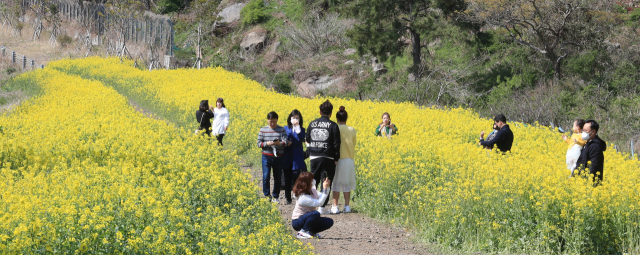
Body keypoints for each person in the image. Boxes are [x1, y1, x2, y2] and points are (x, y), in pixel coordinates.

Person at [305, 100, 341, 214]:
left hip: (314, 157)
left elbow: (307, 139)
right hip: (328, 157)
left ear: (320, 112)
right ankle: (322, 207)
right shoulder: (333, 125)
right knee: (326, 181)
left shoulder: (312, 124)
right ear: (330, 113)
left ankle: (310, 205)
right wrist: (336, 158)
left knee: (313, 181)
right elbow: (336, 144)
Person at [257, 111, 289, 203]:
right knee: (266, 176)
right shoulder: (263, 130)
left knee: (277, 177)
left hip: (278, 157)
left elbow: (286, 142)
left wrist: (280, 143)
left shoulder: (282, 130)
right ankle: (267, 195)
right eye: (271, 121)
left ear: (277, 120)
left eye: (274, 121)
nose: (273, 123)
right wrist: (267, 143)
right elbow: (258, 144)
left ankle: (275, 196)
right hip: (266, 156)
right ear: (267, 120)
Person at [291, 172, 334, 239]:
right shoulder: (303, 198)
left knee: (329, 222)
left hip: (308, 219)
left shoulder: (312, 190)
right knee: (315, 214)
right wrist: (324, 189)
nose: (313, 180)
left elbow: (322, 196)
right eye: (312, 179)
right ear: (307, 182)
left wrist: (327, 187)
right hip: (297, 222)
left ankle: (310, 231)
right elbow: (320, 203)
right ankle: (303, 232)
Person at [331, 106, 357, 214]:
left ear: (337, 118)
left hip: (337, 159)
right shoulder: (352, 130)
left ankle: (335, 206)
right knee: (346, 184)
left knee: (336, 182)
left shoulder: (335, 128)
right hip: (349, 159)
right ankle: (347, 206)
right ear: (347, 118)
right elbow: (353, 144)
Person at [282, 110, 307, 205]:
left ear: (300, 119)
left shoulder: (302, 129)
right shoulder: (285, 128)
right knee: (287, 176)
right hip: (287, 155)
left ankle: (296, 194)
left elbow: (300, 138)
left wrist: (297, 128)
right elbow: (283, 138)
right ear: (289, 119)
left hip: (297, 156)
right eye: (293, 118)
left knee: (296, 175)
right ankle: (288, 197)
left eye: (297, 118)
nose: (295, 120)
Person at [575, 120, 606, 185]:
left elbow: (594, 165)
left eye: (586, 131)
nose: (583, 133)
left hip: (589, 183)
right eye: (583, 130)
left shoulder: (595, 146)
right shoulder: (588, 143)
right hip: (582, 181)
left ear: (593, 132)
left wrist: (589, 181)